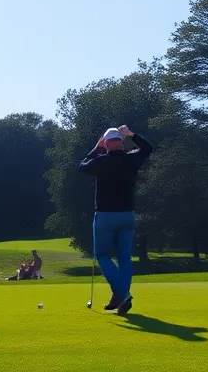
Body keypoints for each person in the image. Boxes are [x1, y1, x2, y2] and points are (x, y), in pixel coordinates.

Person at [79, 125, 152, 315]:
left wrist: (96, 148)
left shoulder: (101, 161)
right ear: (122, 142)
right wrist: (132, 134)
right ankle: (119, 297)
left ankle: (123, 294)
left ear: (106, 144)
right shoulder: (132, 159)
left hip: (105, 215)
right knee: (124, 257)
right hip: (127, 215)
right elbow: (148, 148)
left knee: (103, 256)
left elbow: (82, 166)